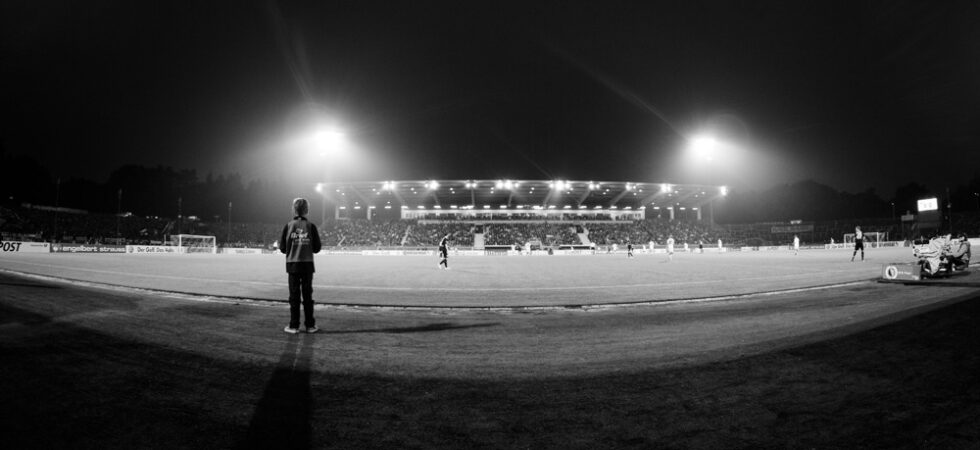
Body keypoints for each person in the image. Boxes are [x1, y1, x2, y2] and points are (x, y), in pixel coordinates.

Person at [280, 198, 322, 334]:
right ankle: (310, 325)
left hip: (293, 265)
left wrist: (294, 244)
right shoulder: (311, 226)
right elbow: (317, 248)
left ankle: (294, 326)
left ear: (294, 209)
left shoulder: (288, 226)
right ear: (307, 210)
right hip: (307, 265)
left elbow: (282, 249)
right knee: (307, 296)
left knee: (294, 296)